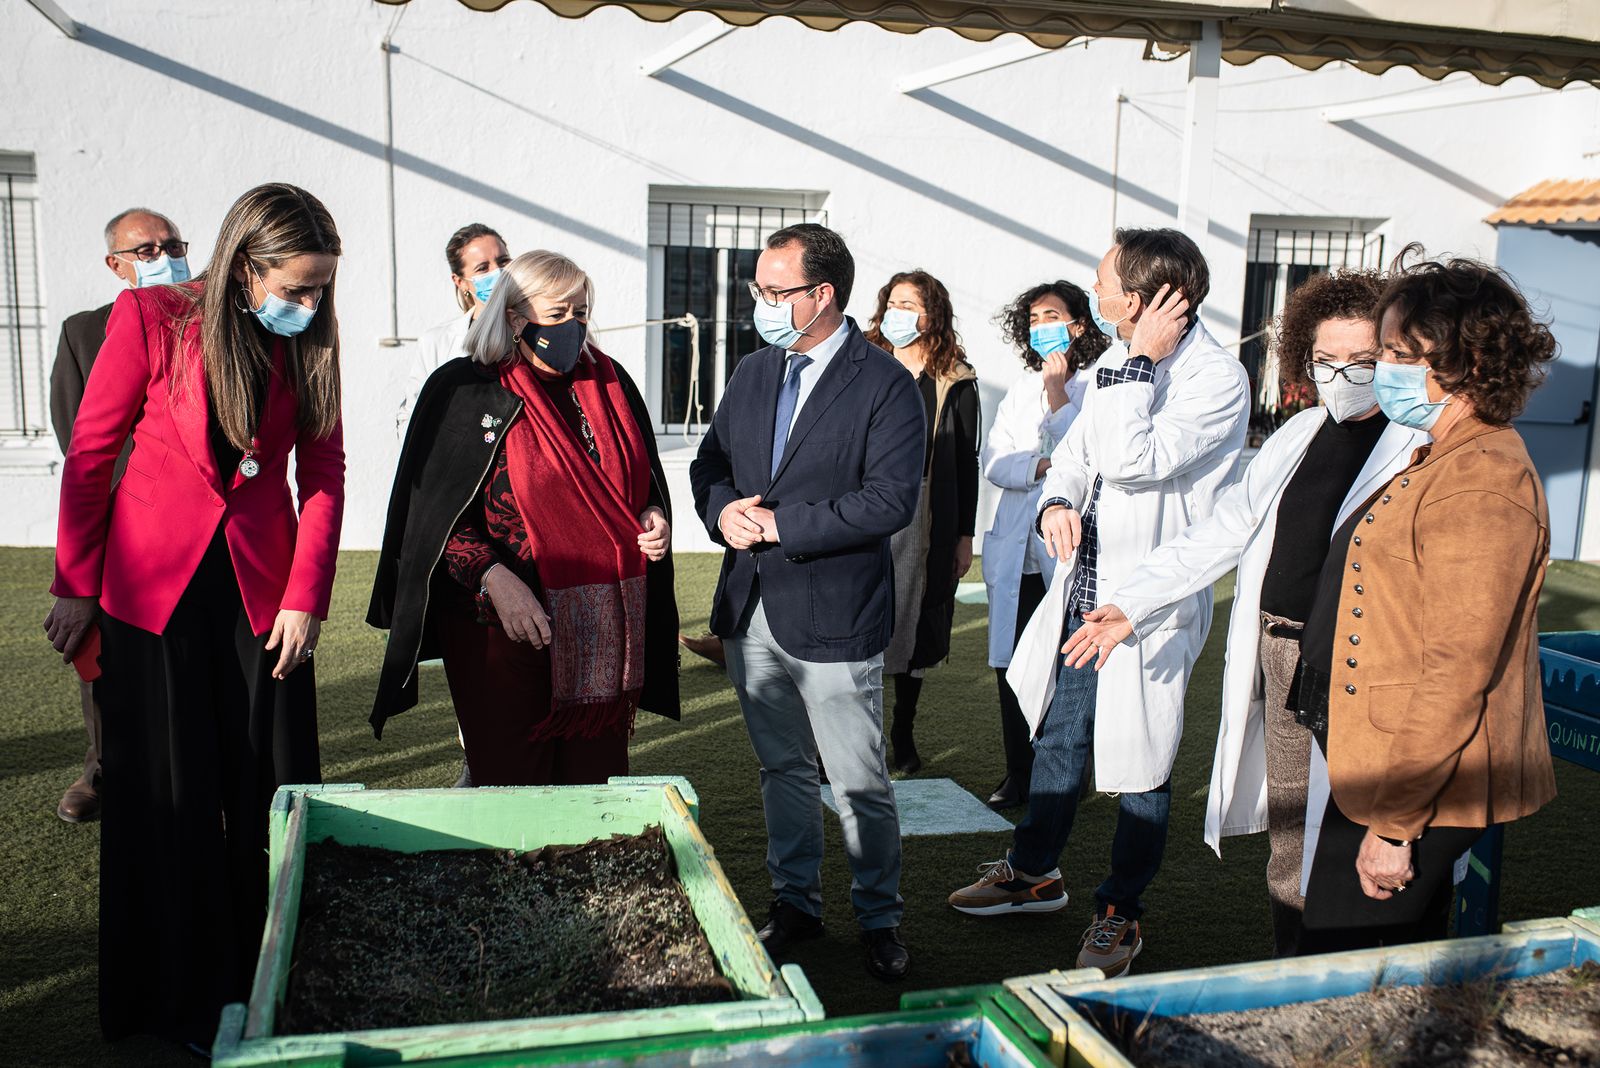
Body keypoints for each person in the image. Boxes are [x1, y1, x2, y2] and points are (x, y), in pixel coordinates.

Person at [43, 183, 345, 1049]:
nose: (311, 303)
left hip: (264, 598)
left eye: (321, 287)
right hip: (153, 596)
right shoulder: (151, 319)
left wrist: (305, 596)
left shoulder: (314, 337)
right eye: (296, 286)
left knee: (274, 793)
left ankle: (274, 982)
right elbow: (93, 453)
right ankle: (165, 1003)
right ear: (245, 264)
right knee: (164, 803)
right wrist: (75, 582)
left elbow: (323, 470)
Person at [1060, 269, 1430, 957]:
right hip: (1284, 660)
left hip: (1367, 669)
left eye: (1362, 361)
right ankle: (1294, 969)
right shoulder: (1300, 434)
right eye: (1325, 361)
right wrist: (1133, 604)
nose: (1342, 376)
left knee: (1365, 837)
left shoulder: (1419, 448)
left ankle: (1367, 970)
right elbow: (1224, 530)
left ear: (1398, 357)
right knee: (1292, 840)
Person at [948, 228, 1250, 979]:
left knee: (1140, 766)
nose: (1096, 294)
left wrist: (1143, 360)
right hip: (1085, 592)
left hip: (1148, 609)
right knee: (1059, 738)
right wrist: (1056, 500)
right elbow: (1079, 455)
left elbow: (1130, 458)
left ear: (1143, 298)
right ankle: (1034, 871)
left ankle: (1121, 911)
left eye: (1106, 282)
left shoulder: (1215, 378)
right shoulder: (1118, 360)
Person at [1288, 250, 1557, 953]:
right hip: (1387, 762)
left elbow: (1457, 668)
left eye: (1401, 353)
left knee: (1346, 962)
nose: (1385, 368)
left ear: (1461, 361)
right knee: (1391, 960)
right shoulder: (1445, 451)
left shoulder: (1482, 481)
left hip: (1413, 782)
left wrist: (1395, 825)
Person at [690, 223, 924, 981]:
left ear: (823, 295)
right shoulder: (756, 371)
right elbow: (711, 464)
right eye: (758, 290)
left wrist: (782, 525)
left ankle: (878, 918)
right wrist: (723, 512)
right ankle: (797, 904)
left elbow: (889, 501)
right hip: (750, 609)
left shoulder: (886, 384)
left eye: (774, 291)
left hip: (835, 616)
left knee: (858, 779)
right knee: (782, 770)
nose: (759, 303)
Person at [369, 250, 680, 786]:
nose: (573, 326)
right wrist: (495, 579)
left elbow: (642, 480)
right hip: (498, 625)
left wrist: (653, 514)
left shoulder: (611, 384)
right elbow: (433, 520)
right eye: (557, 314)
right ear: (514, 317)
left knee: (593, 780)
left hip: (599, 626)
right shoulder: (463, 390)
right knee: (512, 783)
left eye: (581, 313)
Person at [46, 206, 189, 824]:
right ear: (115, 265)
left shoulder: (207, 322)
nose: (163, 256)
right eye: (146, 250)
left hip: (190, 524)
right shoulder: (84, 332)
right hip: (118, 523)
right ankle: (103, 768)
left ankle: (189, 768)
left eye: (172, 244)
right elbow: (78, 437)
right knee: (100, 654)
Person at [980, 281, 1107, 810]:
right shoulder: (1018, 389)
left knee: (1062, 665)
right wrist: (1046, 465)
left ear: (1078, 325)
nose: (1040, 328)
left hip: (1067, 551)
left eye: (1051, 316)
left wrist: (1058, 399)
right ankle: (1018, 772)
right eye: (1032, 319)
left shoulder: (1099, 384)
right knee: (1011, 665)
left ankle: (1066, 774)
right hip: (1019, 553)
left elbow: (1092, 454)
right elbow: (997, 462)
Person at [862, 269, 979, 774]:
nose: (899, 312)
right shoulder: (864, 361)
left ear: (932, 313)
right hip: (865, 506)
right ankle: (853, 739)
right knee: (860, 618)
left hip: (928, 514)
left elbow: (966, 461)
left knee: (913, 622)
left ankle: (902, 734)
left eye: (910, 304)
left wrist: (964, 534)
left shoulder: (956, 377)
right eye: (893, 302)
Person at [400, 223, 512, 435]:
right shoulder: (436, 342)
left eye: (503, 261)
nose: (498, 272)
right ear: (461, 282)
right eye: (482, 268)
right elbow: (413, 416)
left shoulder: (533, 331)